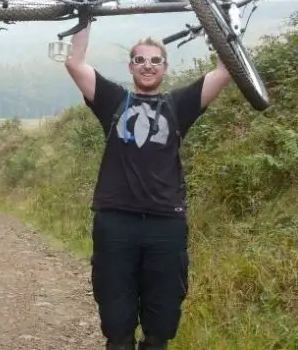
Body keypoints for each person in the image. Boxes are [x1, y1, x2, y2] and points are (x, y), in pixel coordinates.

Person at [64, 18, 232, 350]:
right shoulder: (113, 100)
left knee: (162, 324)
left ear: (165, 68)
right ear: (130, 66)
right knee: (116, 323)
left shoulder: (179, 105)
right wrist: (84, 15)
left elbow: (225, 70)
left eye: (155, 60)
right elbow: (74, 63)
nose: (147, 65)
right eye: (140, 59)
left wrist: (220, 21)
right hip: (115, 222)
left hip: (165, 224)